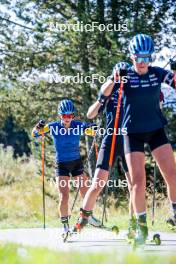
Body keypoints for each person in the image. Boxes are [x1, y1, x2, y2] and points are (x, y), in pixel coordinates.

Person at [120, 34, 176, 246]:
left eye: (147, 57)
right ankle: (142, 228)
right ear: (132, 56)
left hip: (155, 130)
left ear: (151, 57)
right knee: (138, 182)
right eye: (138, 57)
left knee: (171, 174)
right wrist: (115, 76)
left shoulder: (157, 73)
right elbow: (103, 93)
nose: (142, 62)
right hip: (132, 133)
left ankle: (175, 213)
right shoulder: (125, 74)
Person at [73, 62, 136, 238]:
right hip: (110, 140)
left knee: (134, 186)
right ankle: (82, 219)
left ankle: (134, 225)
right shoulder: (110, 88)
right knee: (97, 184)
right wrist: (112, 81)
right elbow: (90, 114)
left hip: (129, 141)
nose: (124, 77)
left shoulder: (133, 89)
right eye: (121, 74)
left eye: (126, 74)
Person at [32, 99, 101, 236]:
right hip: (62, 165)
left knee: (86, 191)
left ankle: (88, 216)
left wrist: (95, 128)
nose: (67, 118)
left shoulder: (78, 125)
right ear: (60, 116)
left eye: (70, 115)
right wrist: (38, 126)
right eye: (64, 115)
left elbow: (93, 132)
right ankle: (65, 226)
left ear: (73, 116)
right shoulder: (53, 127)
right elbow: (34, 134)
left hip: (76, 163)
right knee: (64, 196)